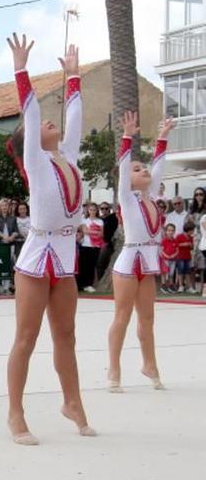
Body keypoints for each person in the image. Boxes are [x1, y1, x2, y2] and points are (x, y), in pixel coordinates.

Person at [6, 36, 94, 444]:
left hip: (65, 255)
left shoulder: (69, 159)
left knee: (67, 336)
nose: (50, 123)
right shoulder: (37, 162)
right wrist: (21, 71)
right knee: (27, 338)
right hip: (37, 256)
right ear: (30, 141)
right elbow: (32, 108)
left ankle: (72, 402)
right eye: (42, 124)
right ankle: (15, 414)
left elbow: (74, 119)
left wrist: (73, 76)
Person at [108, 112, 175, 393]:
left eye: (143, 168)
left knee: (148, 319)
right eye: (137, 169)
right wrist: (127, 136)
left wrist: (163, 136)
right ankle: (114, 369)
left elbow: (158, 166)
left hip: (148, 263)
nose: (144, 170)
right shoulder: (126, 197)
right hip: (128, 262)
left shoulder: (153, 199)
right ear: (127, 179)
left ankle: (150, 364)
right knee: (122, 317)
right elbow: (124, 170)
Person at [78, 203, 104, 293]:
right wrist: (96, 232)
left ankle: (89, 284)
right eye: (90, 209)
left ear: (97, 211)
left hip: (96, 246)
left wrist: (92, 232)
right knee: (83, 266)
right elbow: (85, 231)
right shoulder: (85, 220)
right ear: (88, 211)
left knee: (92, 266)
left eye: (94, 209)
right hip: (86, 245)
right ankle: (81, 284)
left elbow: (101, 234)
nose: (92, 211)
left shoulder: (100, 221)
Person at [95, 202, 119, 281]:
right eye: (102, 208)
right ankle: (100, 281)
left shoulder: (113, 218)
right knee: (99, 264)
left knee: (104, 263)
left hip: (109, 244)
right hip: (97, 244)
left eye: (106, 208)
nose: (104, 210)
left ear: (109, 209)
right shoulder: (98, 219)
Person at [176, 222, 196, 293]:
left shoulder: (191, 237)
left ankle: (189, 287)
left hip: (188, 257)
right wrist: (184, 244)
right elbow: (176, 245)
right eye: (192, 230)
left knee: (188, 272)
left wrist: (191, 245)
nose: (193, 232)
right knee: (180, 272)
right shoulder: (179, 236)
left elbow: (192, 248)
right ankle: (181, 286)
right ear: (189, 230)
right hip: (180, 257)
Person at [160, 224, 179, 292]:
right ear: (166, 231)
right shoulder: (164, 240)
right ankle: (163, 285)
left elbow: (177, 250)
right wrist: (166, 255)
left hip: (173, 260)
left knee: (171, 273)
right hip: (166, 260)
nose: (170, 232)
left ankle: (170, 285)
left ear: (174, 231)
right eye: (169, 230)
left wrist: (174, 255)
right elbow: (161, 250)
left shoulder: (175, 240)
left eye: (172, 230)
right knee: (165, 272)